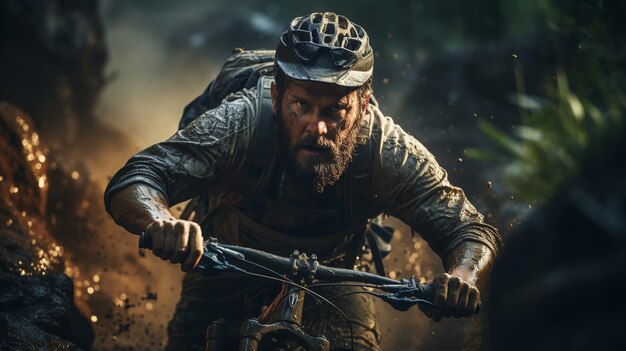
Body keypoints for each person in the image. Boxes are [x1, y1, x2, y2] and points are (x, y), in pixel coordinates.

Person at [104, 12, 502, 351]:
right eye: (302, 106)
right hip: (223, 262)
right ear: (277, 98)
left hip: (335, 272)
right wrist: (160, 220)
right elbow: (137, 178)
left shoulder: (386, 149)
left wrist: (462, 275)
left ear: (363, 106)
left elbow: (469, 228)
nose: (318, 126)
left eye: (336, 110)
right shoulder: (238, 124)